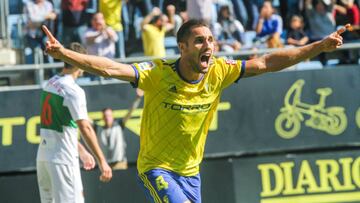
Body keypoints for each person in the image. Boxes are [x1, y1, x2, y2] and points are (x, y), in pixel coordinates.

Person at [42, 19, 350, 202]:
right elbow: (110, 68)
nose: (209, 46)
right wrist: (65, 53)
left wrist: (317, 46)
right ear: (183, 47)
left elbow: (267, 62)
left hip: (191, 172)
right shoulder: (157, 73)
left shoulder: (219, 70)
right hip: (156, 167)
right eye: (200, 40)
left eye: (211, 40)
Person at [36, 42, 112, 203]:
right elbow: (85, 128)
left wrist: (82, 150)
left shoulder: (49, 83)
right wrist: (102, 161)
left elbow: (60, 126)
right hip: (62, 159)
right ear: (79, 61)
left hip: (43, 157)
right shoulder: (73, 90)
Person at [95, 89, 144, 170]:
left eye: (109, 115)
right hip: (105, 165)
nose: (107, 118)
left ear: (112, 117)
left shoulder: (119, 125)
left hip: (120, 164)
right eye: (105, 116)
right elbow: (85, 118)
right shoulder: (98, 128)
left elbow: (130, 111)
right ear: (102, 117)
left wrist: (138, 98)